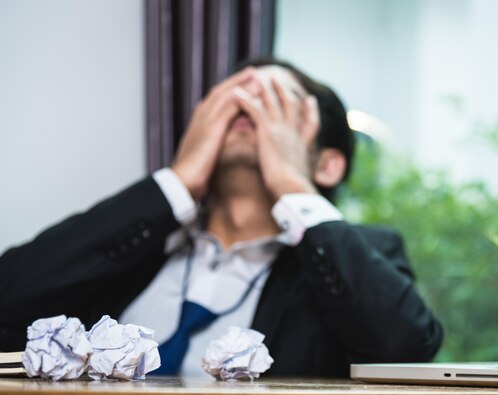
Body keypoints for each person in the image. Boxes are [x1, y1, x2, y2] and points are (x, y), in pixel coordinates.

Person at [0, 58, 443, 377]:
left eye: (274, 104)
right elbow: (10, 296)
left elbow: (405, 350)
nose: (247, 109)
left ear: (327, 164)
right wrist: (177, 181)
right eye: (232, 100)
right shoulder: (138, 249)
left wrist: (292, 183)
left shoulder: (363, 257)